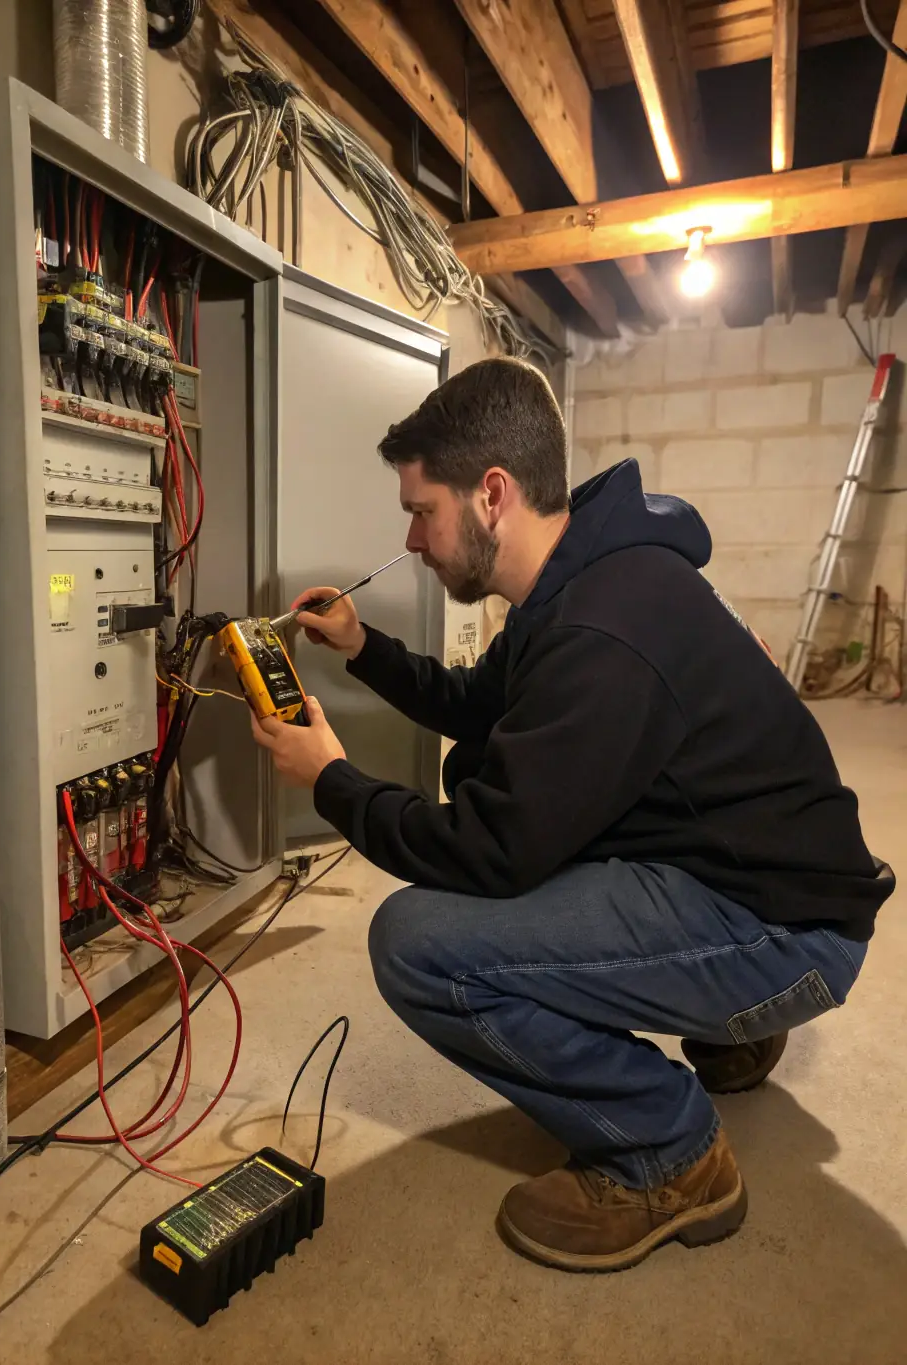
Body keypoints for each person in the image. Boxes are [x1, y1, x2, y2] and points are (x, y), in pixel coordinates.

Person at [249, 356, 893, 1272]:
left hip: (788, 929)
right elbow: (483, 705)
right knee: (512, 792)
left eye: (422, 509)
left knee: (418, 941)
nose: (414, 538)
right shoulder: (583, 573)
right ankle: (732, 1023)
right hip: (747, 863)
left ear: (492, 495)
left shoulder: (602, 629)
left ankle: (670, 1150)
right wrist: (365, 648)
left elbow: (489, 852)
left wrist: (330, 783)